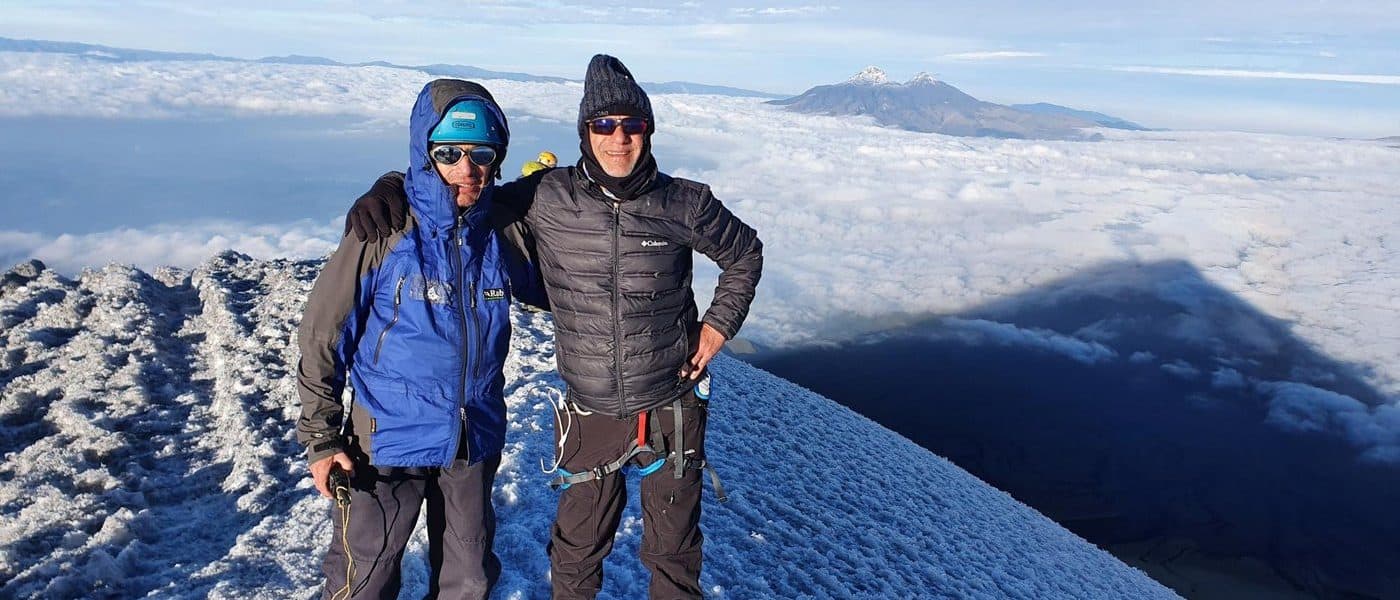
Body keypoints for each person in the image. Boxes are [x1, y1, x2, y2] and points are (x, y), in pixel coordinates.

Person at [345, 55, 763, 599]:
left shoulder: (685, 203)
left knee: (674, 553)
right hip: (591, 407)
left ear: (649, 130)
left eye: (632, 124)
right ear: (585, 132)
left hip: (672, 400)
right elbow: (463, 190)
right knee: (576, 552)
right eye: (604, 124)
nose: (618, 138)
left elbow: (744, 253)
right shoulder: (548, 194)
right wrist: (391, 186)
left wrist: (718, 325)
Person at [296, 78, 546, 599]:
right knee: (365, 579)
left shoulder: (501, 232)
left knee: (470, 580)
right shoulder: (383, 230)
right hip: (387, 440)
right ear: (424, 153)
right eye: (448, 153)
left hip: (471, 438)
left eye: (481, 153)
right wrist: (322, 438)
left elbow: (567, 284)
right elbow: (324, 333)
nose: (466, 168)